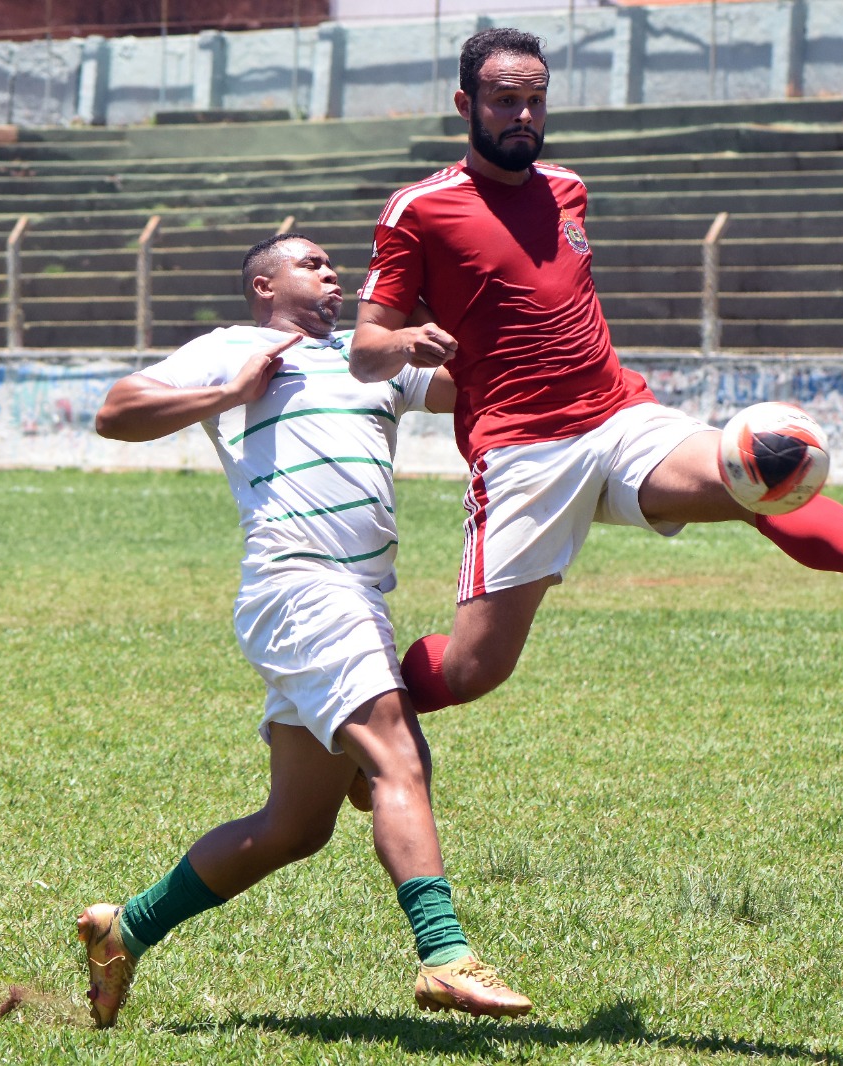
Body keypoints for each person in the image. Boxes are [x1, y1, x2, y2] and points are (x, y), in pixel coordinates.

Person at [348, 26, 843, 719]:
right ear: (464, 104)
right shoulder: (419, 209)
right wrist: (408, 342)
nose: (523, 116)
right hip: (524, 451)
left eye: (536, 101)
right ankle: (366, 729)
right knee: (474, 668)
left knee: (756, 472)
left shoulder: (569, 190)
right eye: (503, 100)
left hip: (619, 414)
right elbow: (367, 349)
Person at [78, 234, 531, 1028]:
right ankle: (446, 956)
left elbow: (475, 387)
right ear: (263, 284)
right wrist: (231, 393)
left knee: (296, 827)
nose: (334, 275)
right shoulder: (234, 348)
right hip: (301, 587)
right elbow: (116, 412)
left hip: (354, 595)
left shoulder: (369, 358)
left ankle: (129, 927)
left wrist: (451, 330)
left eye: (334, 266)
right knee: (398, 754)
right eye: (312, 264)